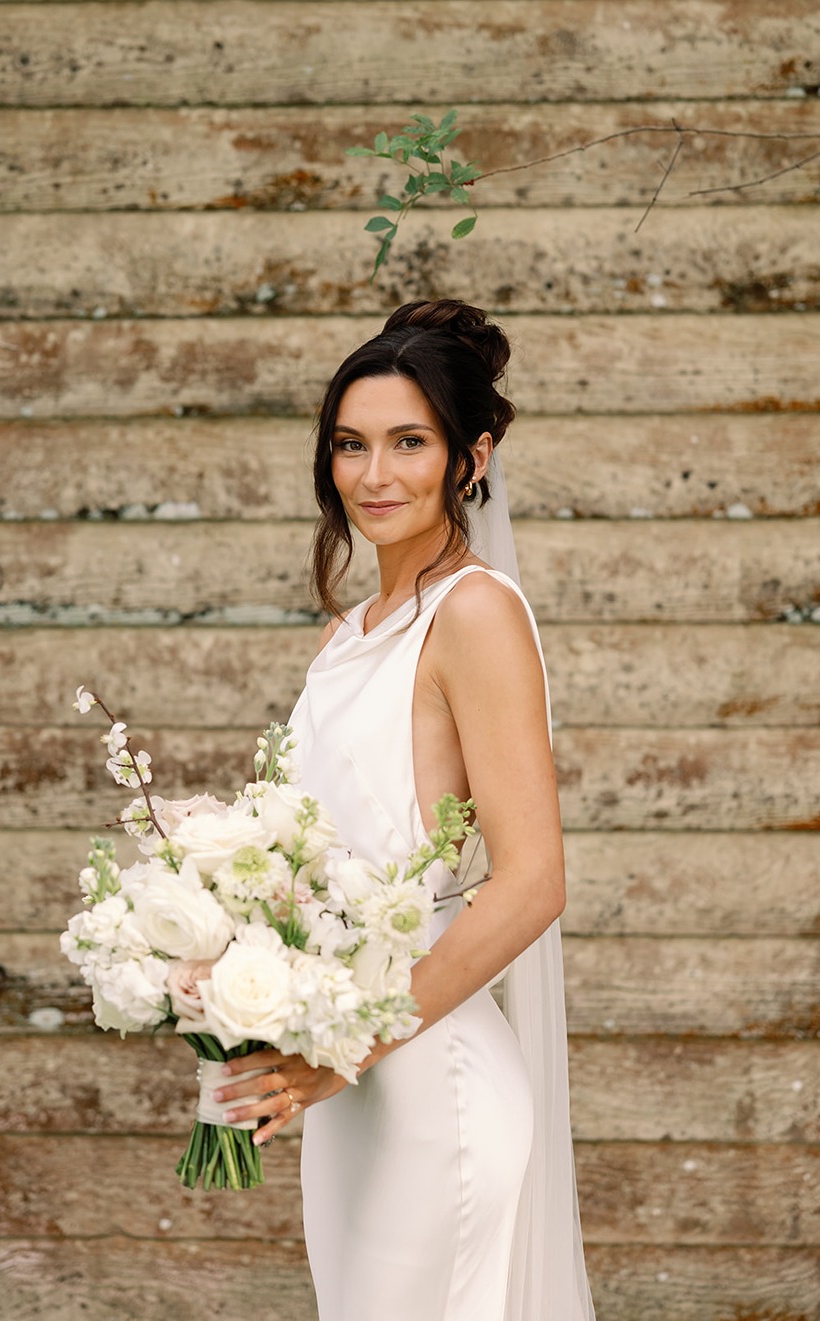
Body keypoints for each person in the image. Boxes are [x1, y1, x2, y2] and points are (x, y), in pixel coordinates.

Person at [213, 300, 595, 1320]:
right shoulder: (346, 637)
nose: (372, 475)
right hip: (346, 1086)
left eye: (407, 443)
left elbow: (530, 882)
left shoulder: (473, 612)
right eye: (349, 444)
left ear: (468, 460)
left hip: (429, 1084)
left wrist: (349, 1046)